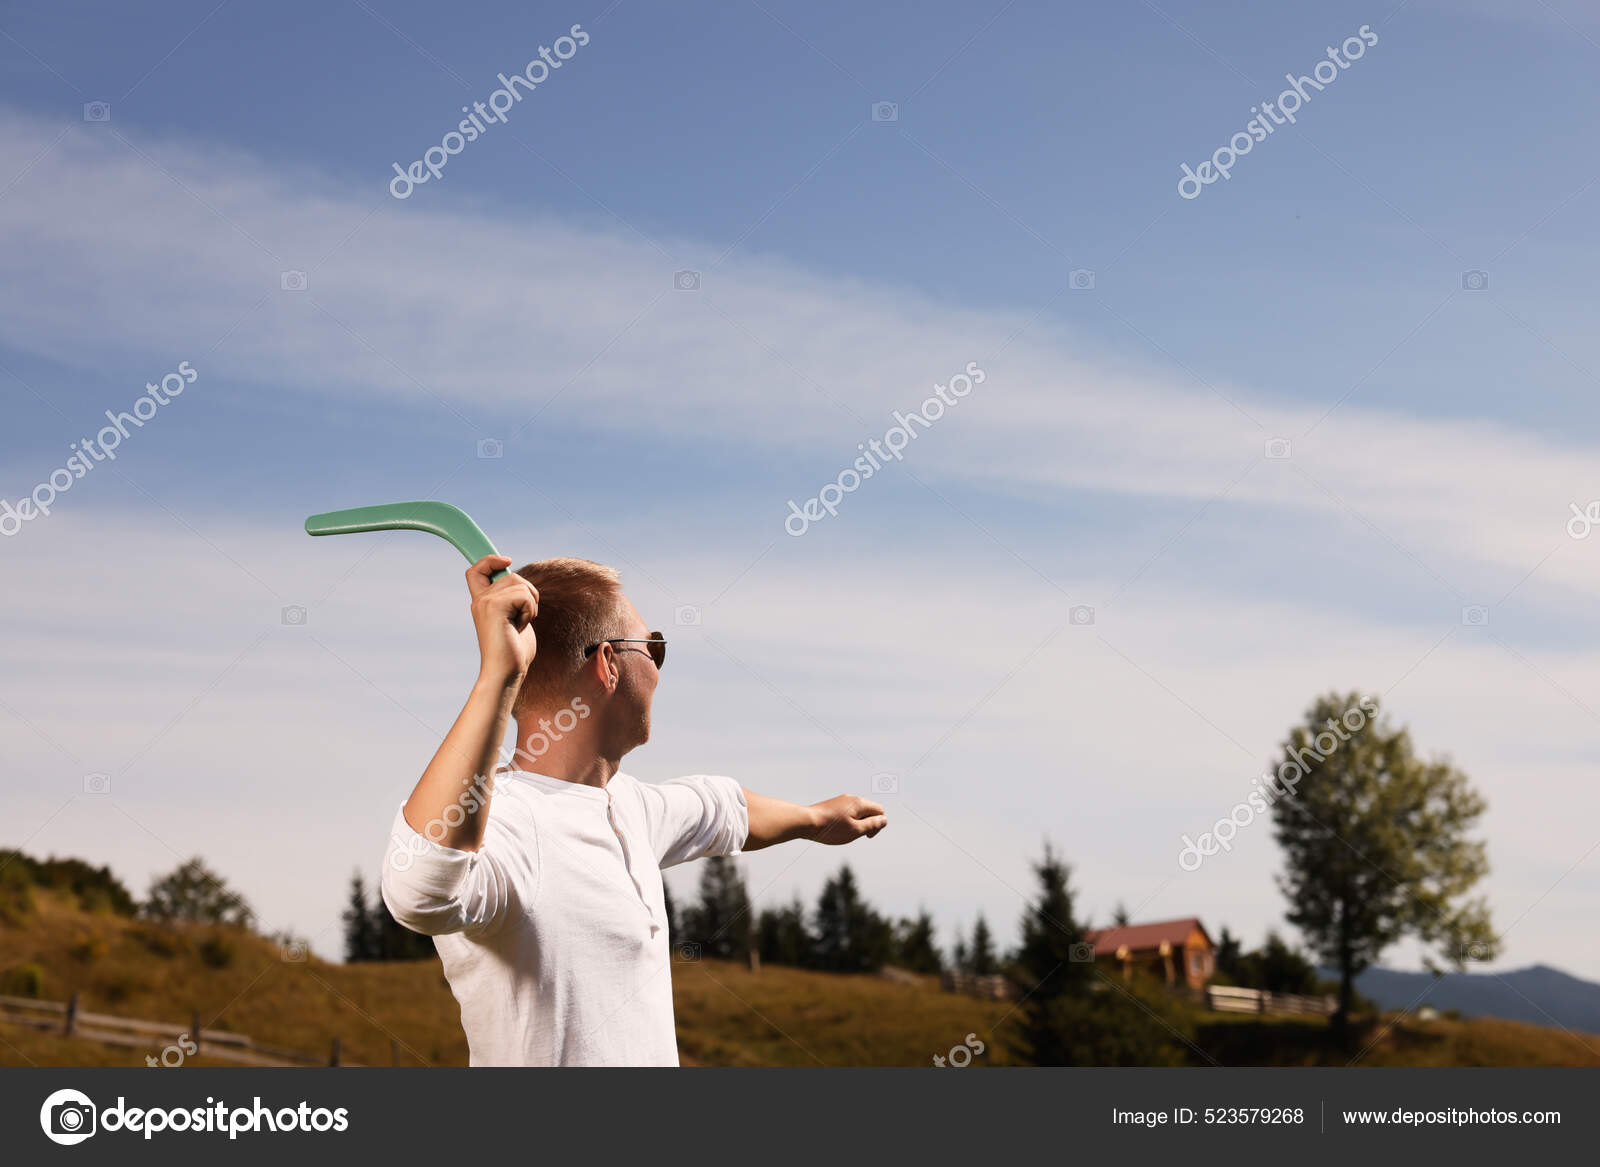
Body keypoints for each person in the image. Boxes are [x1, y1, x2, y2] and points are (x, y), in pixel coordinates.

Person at [381, 554, 887, 1065]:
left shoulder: (631, 808)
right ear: (608, 664)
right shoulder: (506, 823)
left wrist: (817, 819)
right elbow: (418, 890)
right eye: (654, 648)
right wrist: (498, 676)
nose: (659, 671)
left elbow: (722, 805)